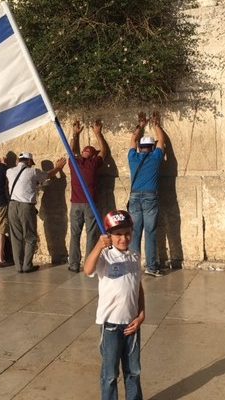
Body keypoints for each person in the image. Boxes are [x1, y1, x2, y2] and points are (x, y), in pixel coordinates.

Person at [84, 210, 145, 400]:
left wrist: (141, 314)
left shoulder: (134, 257)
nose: (123, 238)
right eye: (118, 234)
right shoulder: (105, 257)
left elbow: (138, 288)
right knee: (110, 374)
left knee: (133, 371)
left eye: (127, 233)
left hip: (132, 324)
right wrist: (97, 247)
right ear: (109, 235)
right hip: (110, 325)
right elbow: (88, 269)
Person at [6, 152, 66, 273]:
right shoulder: (33, 172)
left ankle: (19, 266)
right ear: (29, 162)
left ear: (19, 160)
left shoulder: (9, 171)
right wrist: (59, 168)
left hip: (12, 206)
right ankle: (27, 266)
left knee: (16, 237)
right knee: (30, 237)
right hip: (25, 207)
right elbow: (48, 175)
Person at [68, 119, 110, 273]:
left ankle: (73, 264)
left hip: (75, 204)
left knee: (75, 235)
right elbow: (104, 151)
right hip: (89, 205)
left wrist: (76, 134)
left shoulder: (75, 163)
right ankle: (88, 264)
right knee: (91, 235)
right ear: (93, 155)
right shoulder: (93, 164)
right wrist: (98, 133)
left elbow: (72, 150)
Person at [127, 111, 165, 277]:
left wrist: (141, 125)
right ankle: (151, 267)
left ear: (140, 147)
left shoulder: (132, 157)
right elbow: (162, 141)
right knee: (150, 232)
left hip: (134, 197)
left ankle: (134, 267)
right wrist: (156, 124)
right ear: (151, 147)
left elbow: (132, 140)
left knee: (135, 232)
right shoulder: (156, 157)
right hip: (150, 196)